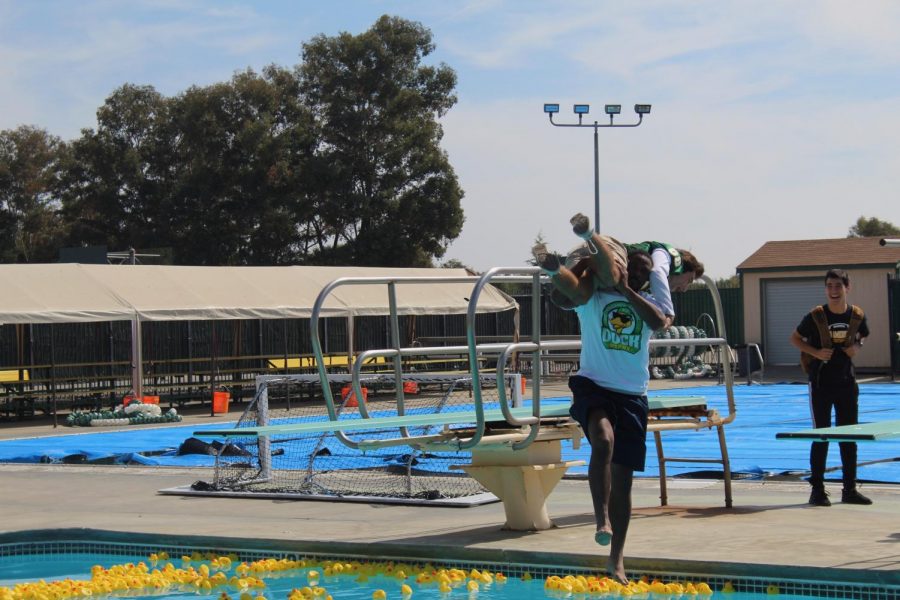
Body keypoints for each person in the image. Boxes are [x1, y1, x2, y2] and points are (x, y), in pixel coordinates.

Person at [532, 231, 666, 584]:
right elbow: (569, 293)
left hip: (633, 397)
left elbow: (658, 323)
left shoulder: (648, 304)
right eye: (627, 273)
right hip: (593, 386)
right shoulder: (591, 300)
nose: (631, 278)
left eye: (639, 276)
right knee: (603, 440)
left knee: (624, 482)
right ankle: (600, 516)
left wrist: (627, 291)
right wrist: (559, 270)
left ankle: (616, 558)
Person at [789, 268, 871, 507]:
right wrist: (815, 352)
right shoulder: (815, 316)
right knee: (821, 436)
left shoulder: (856, 315)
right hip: (821, 383)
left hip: (846, 382)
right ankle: (817, 491)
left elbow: (863, 335)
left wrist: (858, 345)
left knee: (849, 438)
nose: (834, 291)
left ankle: (850, 489)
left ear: (847, 287)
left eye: (838, 286)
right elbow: (794, 338)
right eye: (829, 286)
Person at [569, 213, 705, 326]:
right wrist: (668, 312)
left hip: (579, 258)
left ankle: (552, 268)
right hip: (606, 251)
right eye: (690, 280)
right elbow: (658, 272)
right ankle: (588, 233)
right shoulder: (665, 254)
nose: (685, 289)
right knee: (613, 277)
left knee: (574, 295)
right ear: (683, 267)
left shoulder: (646, 292)